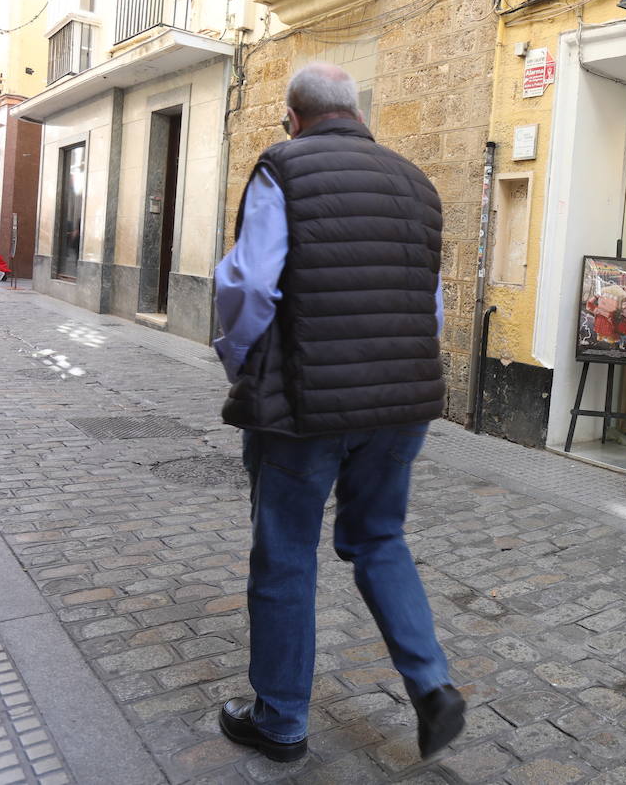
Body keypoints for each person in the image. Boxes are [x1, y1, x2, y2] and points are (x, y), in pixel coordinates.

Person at [212, 63, 463, 763]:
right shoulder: (417, 183)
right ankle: (432, 684)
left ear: (292, 117)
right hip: (400, 402)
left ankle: (281, 720)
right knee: (379, 538)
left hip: (304, 403)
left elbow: (249, 283)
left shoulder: (283, 167)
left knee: (285, 555)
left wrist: (238, 361)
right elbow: (432, 305)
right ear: (358, 112)